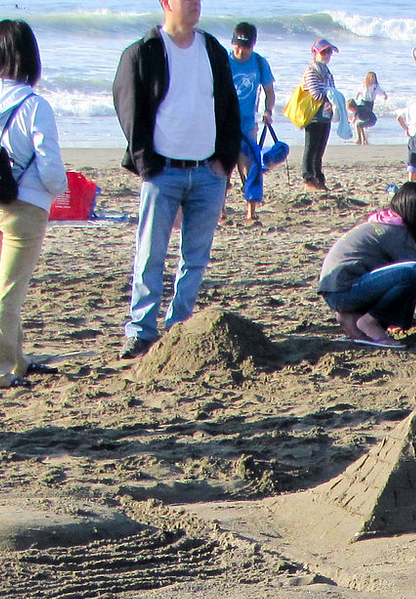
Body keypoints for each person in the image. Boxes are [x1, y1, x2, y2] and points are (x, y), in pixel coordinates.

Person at [112, 0, 241, 360]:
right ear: (166, 4)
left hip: (207, 172)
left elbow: (229, 107)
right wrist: (146, 164)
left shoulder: (212, 48)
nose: (196, 5)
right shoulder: (143, 52)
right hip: (162, 172)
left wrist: (224, 163)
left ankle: (179, 327)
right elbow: (128, 107)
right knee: (150, 252)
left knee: (195, 257)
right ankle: (141, 330)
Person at [0, 20, 64, 391]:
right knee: (8, 292)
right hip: (26, 207)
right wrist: (57, 191)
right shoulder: (35, 105)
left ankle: (17, 360)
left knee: (3, 286)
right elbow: (51, 166)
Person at [315, 181, 416, 344]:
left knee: (397, 274)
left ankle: (351, 318)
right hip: (346, 290)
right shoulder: (397, 232)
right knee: (413, 272)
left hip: (334, 290)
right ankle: (369, 322)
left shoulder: (377, 223)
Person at [226, 22, 274, 226]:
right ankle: (219, 211)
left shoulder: (260, 63)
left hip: (248, 124)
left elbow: (269, 92)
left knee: (249, 169)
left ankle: (250, 211)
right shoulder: (224, 61)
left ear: (253, 45)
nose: (241, 50)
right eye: (238, 45)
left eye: (245, 46)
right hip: (224, 123)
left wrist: (268, 111)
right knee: (222, 169)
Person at [295, 38, 336, 191]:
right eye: (324, 52)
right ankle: (308, 178)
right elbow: (316, 94)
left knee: (320, 149)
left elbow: (331, 91)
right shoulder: (311, 71)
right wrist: (330, 97)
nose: (327, 55)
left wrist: (333, 101)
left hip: (325, 115)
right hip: (313, 115)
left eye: (329, 52)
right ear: (315, 52)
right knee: (311, 148)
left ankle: (318, 178)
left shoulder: (327, 71)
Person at [351, 70, 383, 144]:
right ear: (368, 78)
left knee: (368, 115)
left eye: (374, 78)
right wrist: (357, 95)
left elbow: (380, 90)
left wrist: (384, 94)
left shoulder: (375, 86)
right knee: (362, 114)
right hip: (364, 101)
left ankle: (364, 127)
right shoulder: (364, 85)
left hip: (370, 102)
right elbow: (359, 91)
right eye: (371, 78)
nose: (373, 79)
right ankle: (363, 129)